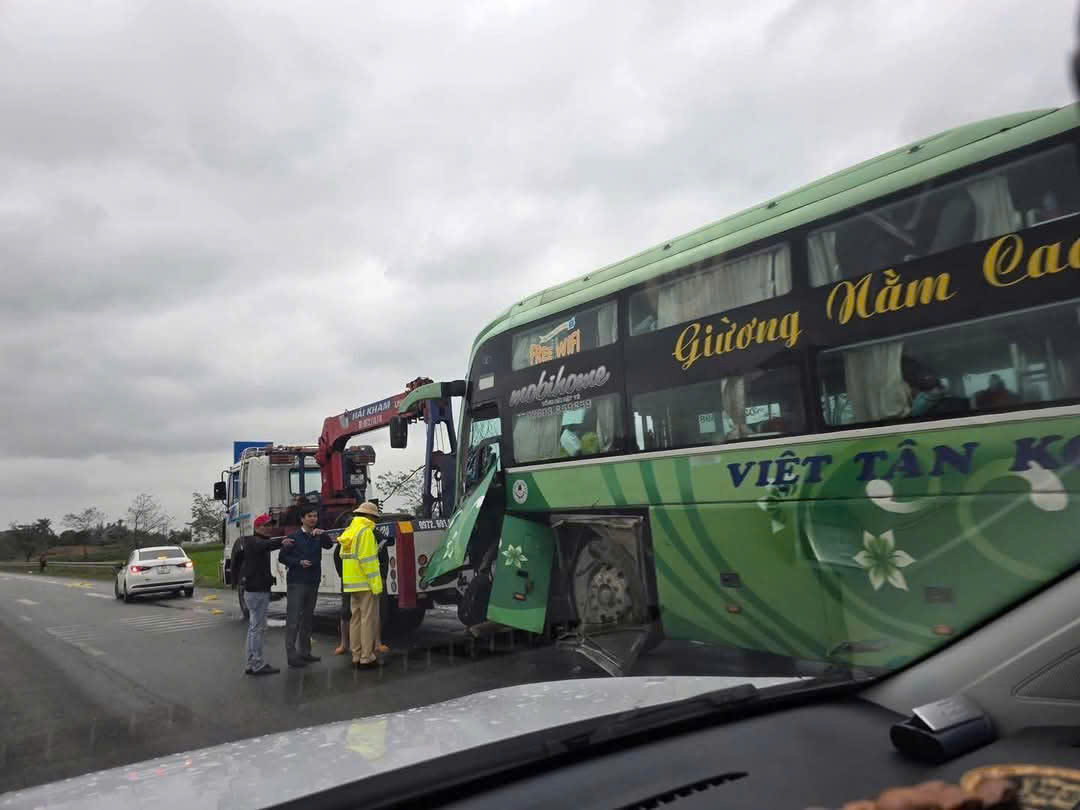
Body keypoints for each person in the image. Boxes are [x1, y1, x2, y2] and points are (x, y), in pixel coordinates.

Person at [277, 505, 334, 668]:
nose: (313, 519)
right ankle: (291, 655)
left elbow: (329, 545)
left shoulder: (318, 535)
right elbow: (282, 557)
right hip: (297, 582)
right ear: (302, 519)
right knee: (294, 619)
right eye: (309, 516)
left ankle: (305, 652)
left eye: (315, 516)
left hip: (313, 581)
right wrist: (298, 562)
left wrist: (322, 535)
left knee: (308, 618)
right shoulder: (293, 537)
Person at [240, 514, 294, 676]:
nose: (269, 527)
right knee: (257, 627)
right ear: (257, 528)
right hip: (256, 592)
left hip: (257, 590)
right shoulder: (252, 542)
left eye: (271, 525)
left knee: (254, 627)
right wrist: (281, 541)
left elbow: (265, 545)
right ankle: (256, 663)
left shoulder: (257, 542)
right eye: (266, 525)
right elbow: (264, 545)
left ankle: (252, 662)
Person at [338, 501, 385, 669]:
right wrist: (376, 585)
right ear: (369, 516)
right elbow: (369, 562)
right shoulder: (365, 532)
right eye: (374, 518)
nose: (375, 521)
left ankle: (356, 655)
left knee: (355, 619)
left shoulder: (349, 531)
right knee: (367, 620)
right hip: (365, 583)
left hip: (351, 583)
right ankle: (367, 657)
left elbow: (344, 557)